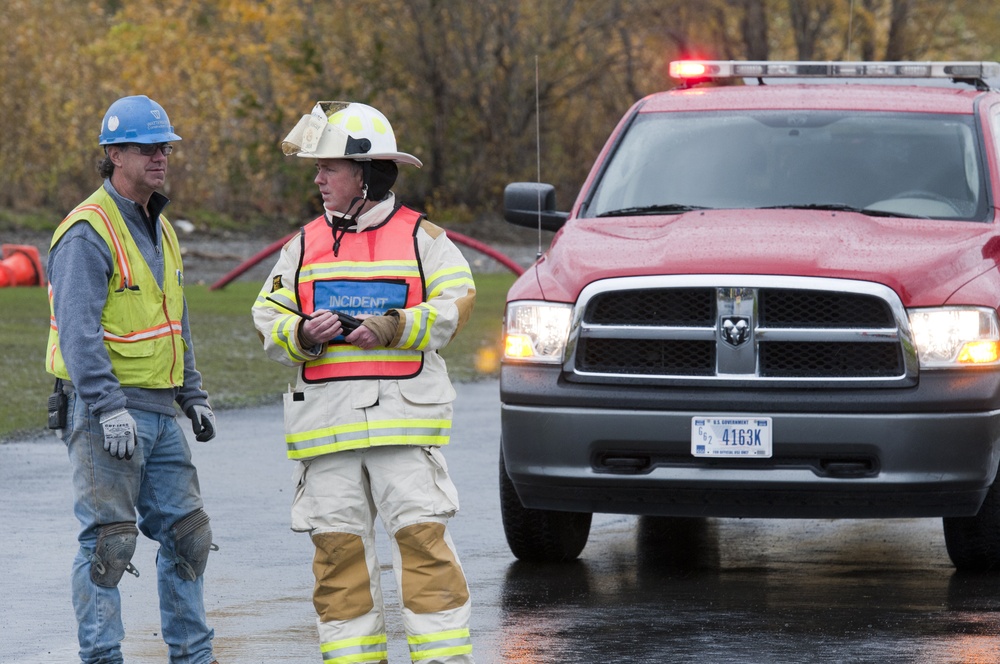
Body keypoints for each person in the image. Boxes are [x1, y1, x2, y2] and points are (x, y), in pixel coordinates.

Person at [251, 101, 477, 663]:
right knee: (337, 565)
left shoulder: (425, 239)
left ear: (368, 174)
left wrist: (397, 325)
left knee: (425, 553)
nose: (319, 177)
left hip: (402, 427)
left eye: (330, 167)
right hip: (328, 435)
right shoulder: (301, 244)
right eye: (319, 167)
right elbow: (266, 316)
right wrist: (303, 333)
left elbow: (457, 304)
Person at [45, 94, 220, 664]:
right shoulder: (87, 231)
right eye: (147, 147)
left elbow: (177, 318)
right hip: (106, 416)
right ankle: (103, 658)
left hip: (162, 412)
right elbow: (78, 332)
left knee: (189, 535)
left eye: (165, 146)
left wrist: (192, 393)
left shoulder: (160, 228)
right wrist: (107, 405)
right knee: (109, 543)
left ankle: (193, 655)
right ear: (114, 153)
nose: (161, 156)